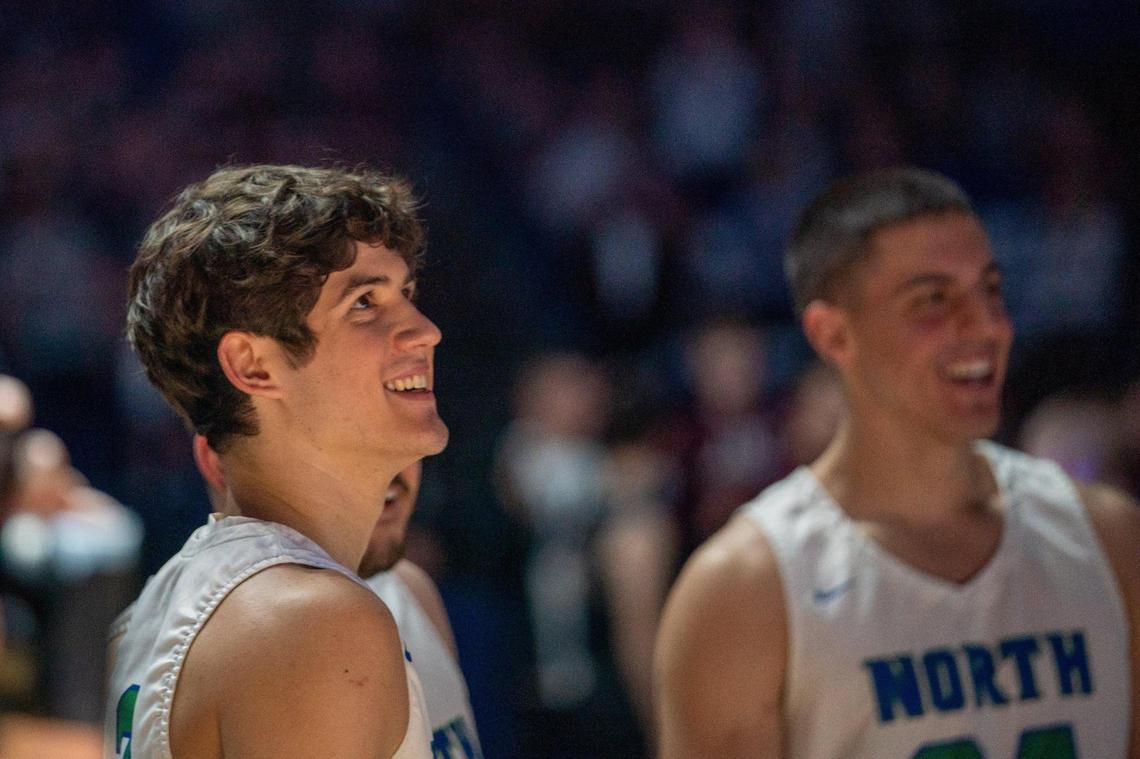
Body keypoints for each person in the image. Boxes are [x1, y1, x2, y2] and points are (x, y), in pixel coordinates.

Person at [654, 167, 1140, 757]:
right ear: (834, 335)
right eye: (934, 301)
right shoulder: (745, 590)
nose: (986, 328)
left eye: (991, 291)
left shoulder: (1109, 539)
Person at [106, 164, 447, 758]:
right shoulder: (314, 622)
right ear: (254, 366)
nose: (425, 331)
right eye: (365, 302)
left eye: (407, 294)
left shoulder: (142, 623)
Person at [192, 434, 483, 758]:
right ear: (220, 465)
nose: (389, 470)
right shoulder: (203, 644)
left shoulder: (410, 589)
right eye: (347, 439)